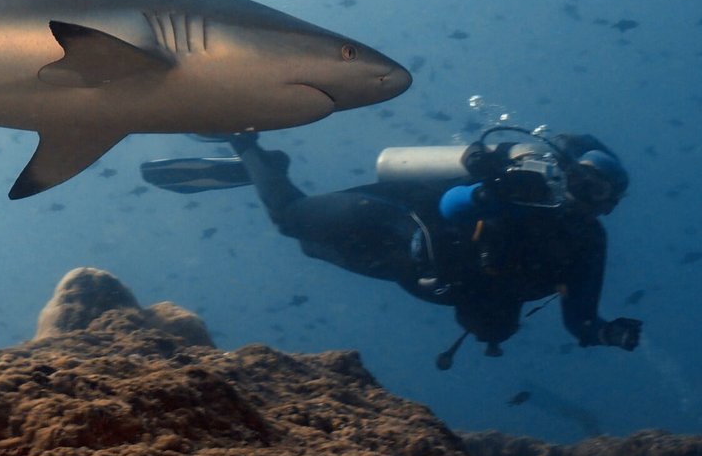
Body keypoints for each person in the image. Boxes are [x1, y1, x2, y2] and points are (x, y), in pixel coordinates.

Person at [141, 127, 641, 367]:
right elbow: (452, 209)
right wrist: (494, 194)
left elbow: (579, 321)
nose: (584, 199)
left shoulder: (586, 245)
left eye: (601, 197)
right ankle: (246, 145)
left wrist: (606, 333)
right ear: (567, 172)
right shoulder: (523, 190)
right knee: (289, 221)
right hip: (404, 217)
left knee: (309, 247)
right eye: (583, 183)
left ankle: (262, 172)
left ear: (610, 207)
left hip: (411, 267)